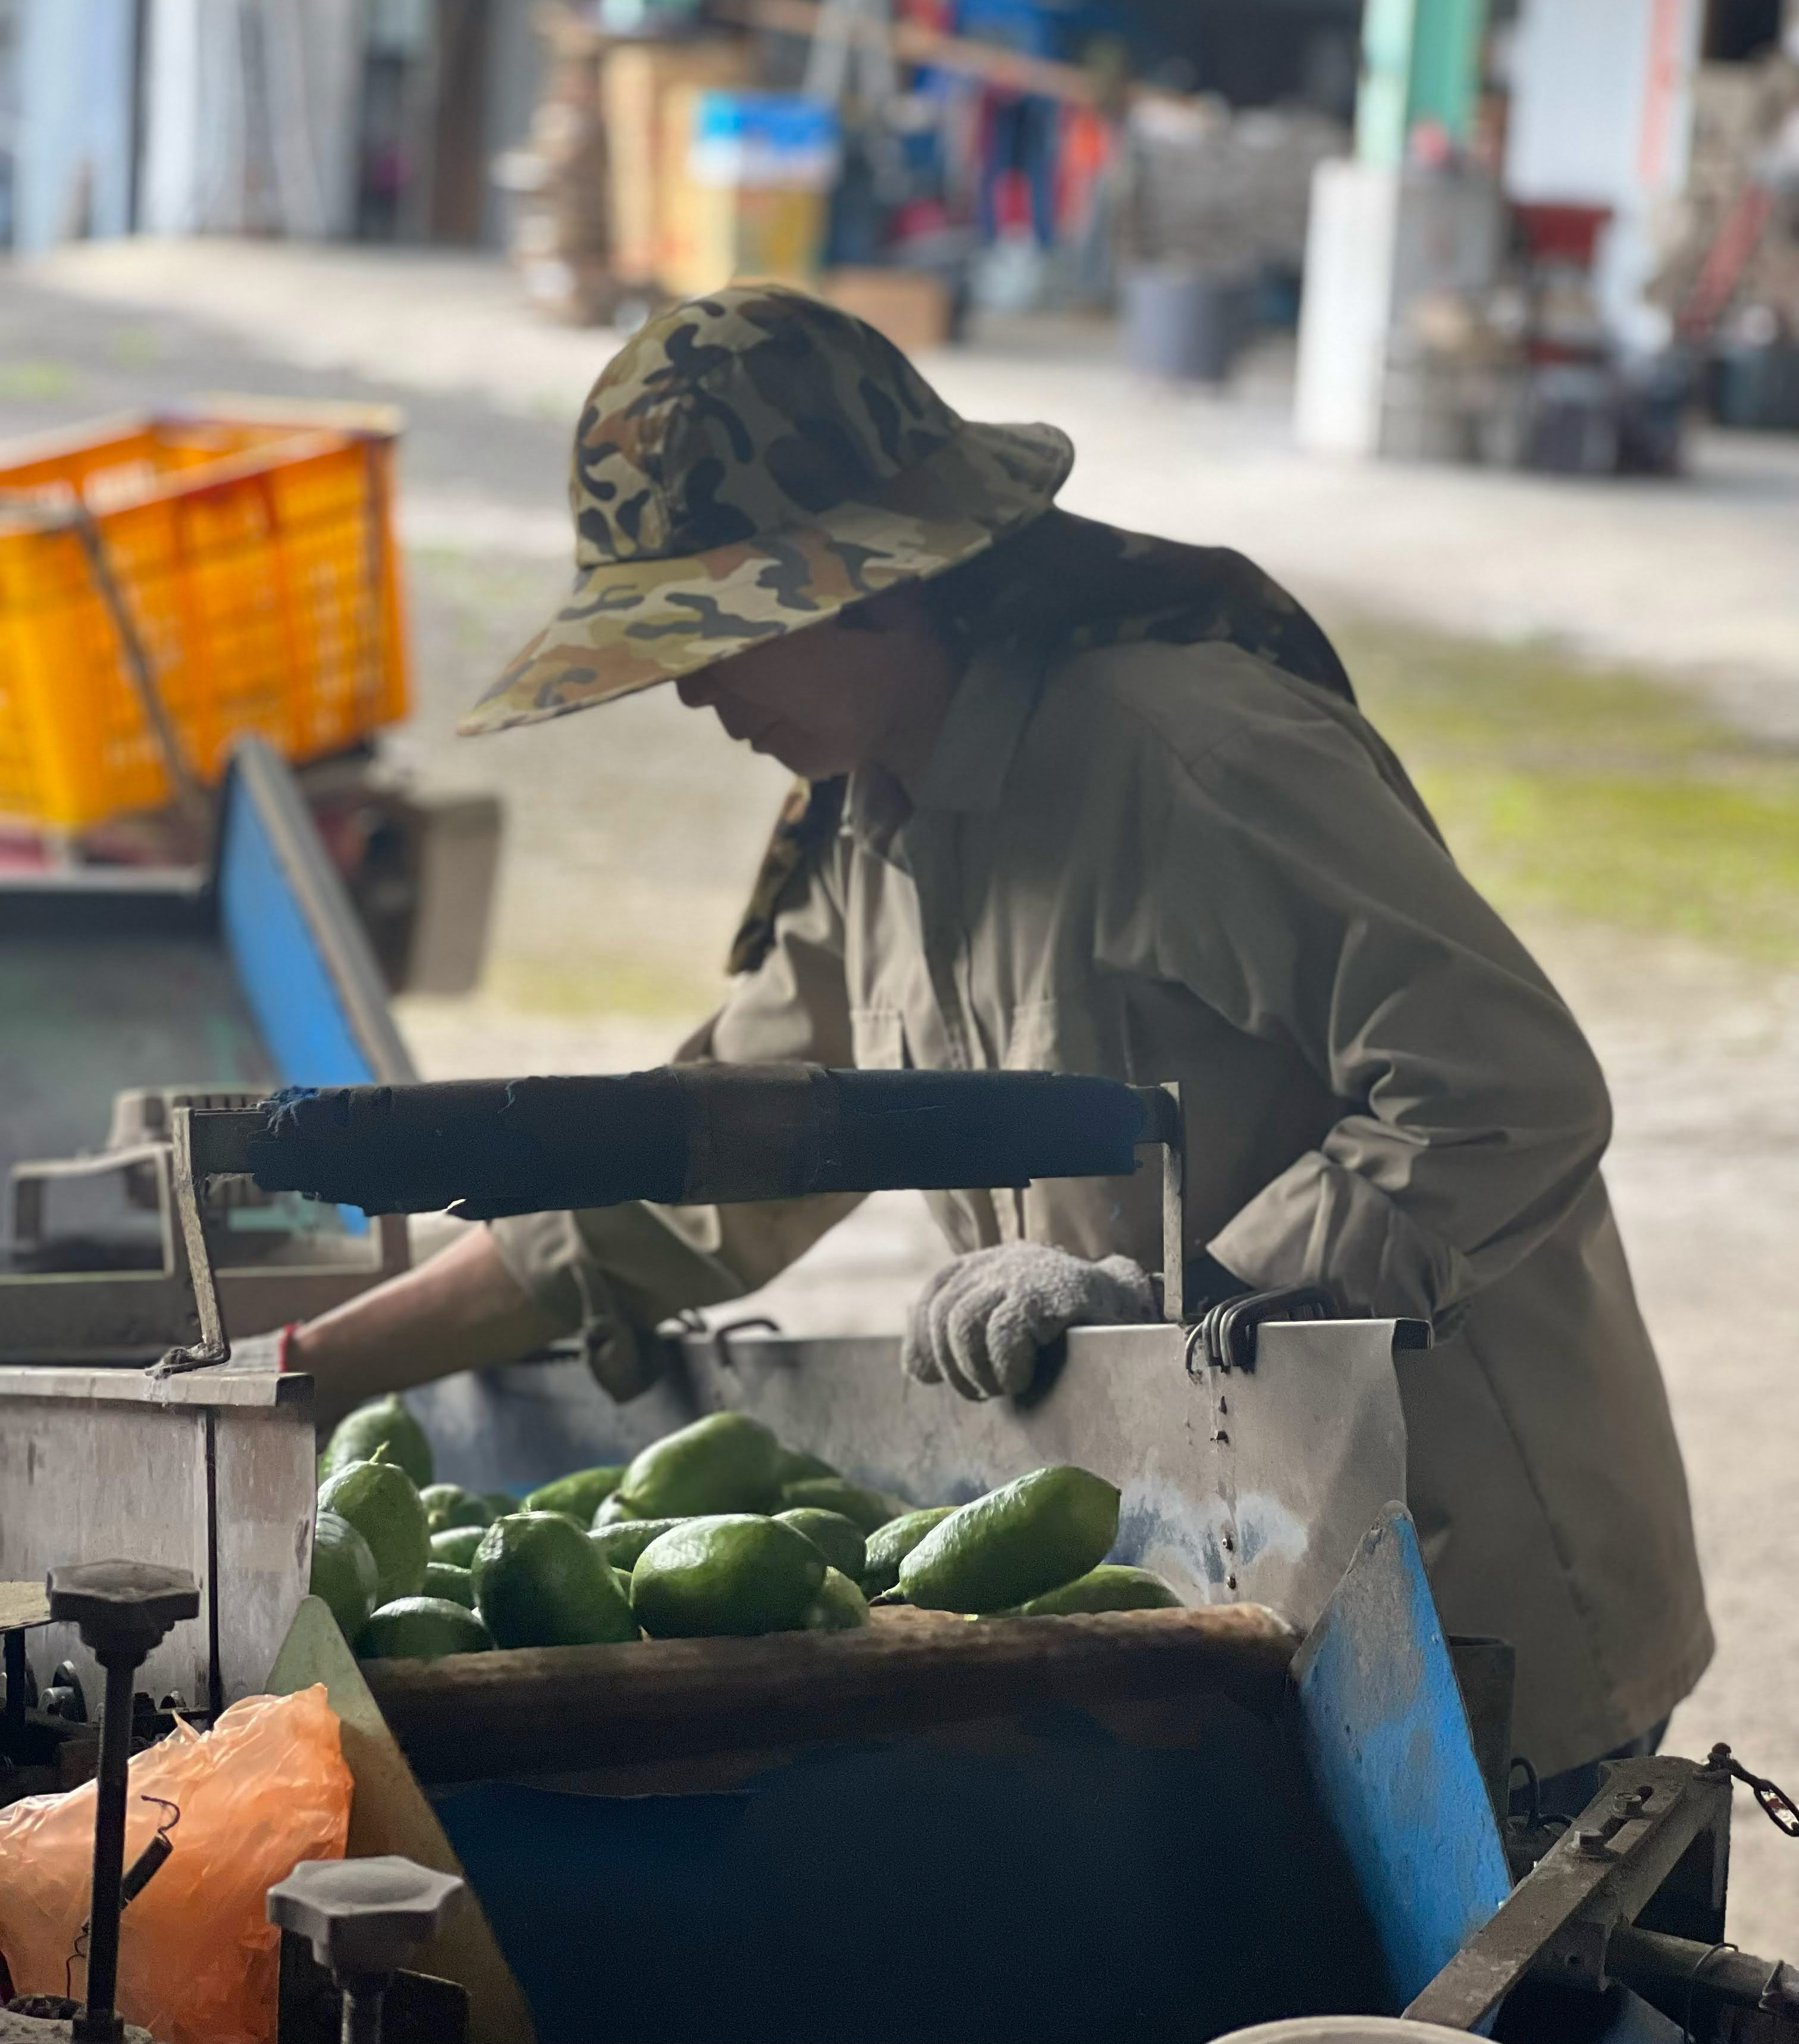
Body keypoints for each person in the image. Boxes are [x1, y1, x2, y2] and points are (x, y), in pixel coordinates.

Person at [287, 284, 1710, 1790]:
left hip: (1475, 1610)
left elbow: (1509, 1089)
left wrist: (1173, 1291)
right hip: (1232, 1591)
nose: (695, 686)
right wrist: (308, 1366)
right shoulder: (872, 831)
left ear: (873, 584)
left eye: (717, 631)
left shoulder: (1189, 758)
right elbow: (693, 1169)